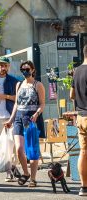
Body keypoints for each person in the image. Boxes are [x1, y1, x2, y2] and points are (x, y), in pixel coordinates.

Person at [4, 60, 45, 187]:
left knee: (32, 150)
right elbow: (16, 103)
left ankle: (33, 178)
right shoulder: (19, 84)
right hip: (19, 118)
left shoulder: (38, 85)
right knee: (19, 149)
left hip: (31, 118)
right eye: (23, 70)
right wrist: (10, 120)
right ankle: (26, 173)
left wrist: (37, 113)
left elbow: (42, 103)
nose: (25, 72)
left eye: (27, 69)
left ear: (33, 70)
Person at [70, 44, 87, 196]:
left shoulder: (76, 71)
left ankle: (83, 187)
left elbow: (71, 95)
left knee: (83, 151)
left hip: (81, 116)